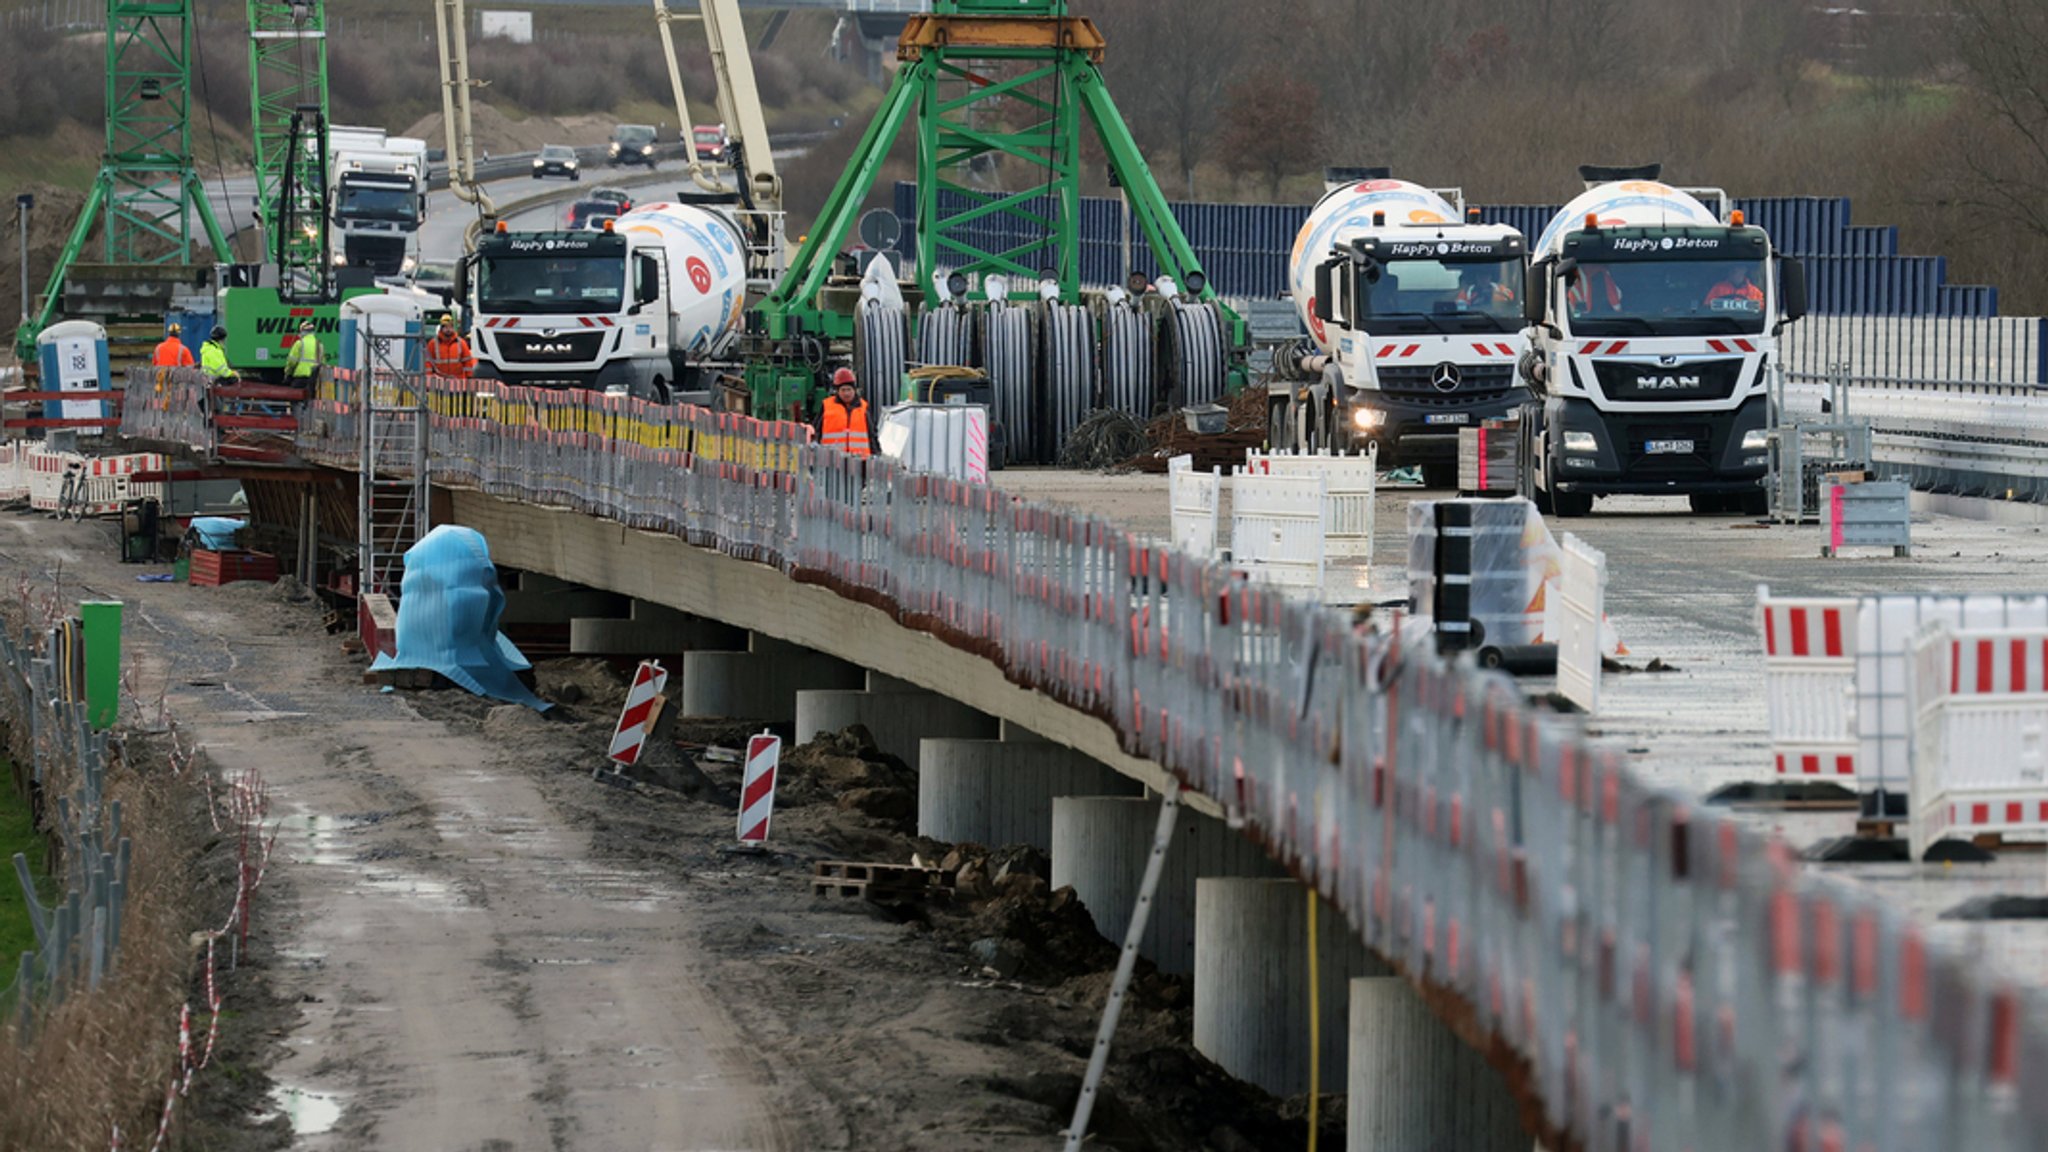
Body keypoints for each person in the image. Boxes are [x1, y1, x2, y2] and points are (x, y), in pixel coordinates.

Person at [817, 367, 873, 457]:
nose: (846, 393)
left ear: (854, 390)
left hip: (859, 461)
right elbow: (817, 432)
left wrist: (876, 454)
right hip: (833, 460)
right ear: (837, 391)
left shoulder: (864, 407)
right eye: (843, 390)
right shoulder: (826, 406)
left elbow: (872, 434)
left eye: (849, 389)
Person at [425, 314, 475, 379]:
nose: (448, 329)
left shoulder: (461, 343)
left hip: (457, 381)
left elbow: (467, 362)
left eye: (450, 327)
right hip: (439, 381)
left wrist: (469, 377)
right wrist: (429, 377)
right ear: (441, 328)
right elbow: (428, 362)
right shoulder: (433, 344)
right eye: (445, 327)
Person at [284, 320, 321, 386]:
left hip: (301, 377)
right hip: (315, 378)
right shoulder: (319, 344)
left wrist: (288, 374)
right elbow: (322, 363)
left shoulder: (299, 343)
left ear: (302, 332)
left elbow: (291, 362)